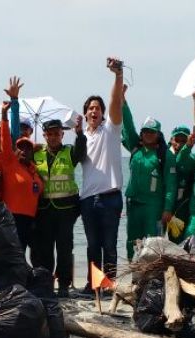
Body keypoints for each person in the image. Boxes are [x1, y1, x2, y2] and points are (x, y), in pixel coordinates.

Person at [78, 56, 126, 290]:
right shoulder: (81, 138)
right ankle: (93, 283)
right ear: (85, 113)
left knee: (110, 244)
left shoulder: (111, 130)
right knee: (92, 245)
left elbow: (115, 102)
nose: (94, 111)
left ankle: (110, 284)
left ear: (103, 114)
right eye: (90, 108)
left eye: (97, 108)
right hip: (87, 199)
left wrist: (118, 75)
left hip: (110, 197)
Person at [33, 116, 86, 296]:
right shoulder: (36, 154)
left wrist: (79, 134)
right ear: (44, 135)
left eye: (57, 133)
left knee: (64, 248)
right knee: (45, 249)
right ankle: (47, 284)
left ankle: (64, 285)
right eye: (50, 134)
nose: (53, 137)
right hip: (44, 210)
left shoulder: (69, 152)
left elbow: (81, 152)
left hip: (66, 210)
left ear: (62, 134)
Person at [121, 95, 166, 260]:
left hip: (153, 205)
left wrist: (167, 209)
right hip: (134, 204)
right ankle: (134, 275)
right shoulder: (135, 147)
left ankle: (153, 277)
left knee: (153, 243)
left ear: (158, 134)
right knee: (132, 242)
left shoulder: (163, 155)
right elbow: (128, 124)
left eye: (152, 131)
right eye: (145, 131)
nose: (148, 134)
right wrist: (123, 102)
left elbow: (171, 184)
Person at [0, 102, 43, 250]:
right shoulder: (10, 164)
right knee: (12, 256)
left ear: (32, 151)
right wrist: (4, 114)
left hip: (31, 220)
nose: (24, 150)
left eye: (27, 148)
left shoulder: (34, 170)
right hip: (12, 218)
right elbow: (5, 138)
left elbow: (38, 192)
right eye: (20, 147)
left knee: (29, 256)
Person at [161, 123, 195, 241]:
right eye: (177, 139)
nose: (180, 143)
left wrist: (188, 147)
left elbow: (181, 160)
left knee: (178, 244)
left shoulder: (191, 159)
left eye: (184, 140)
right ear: (171, 140)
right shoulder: (163, 155)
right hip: (162, 207)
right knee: (156, 241)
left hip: (181, 209)